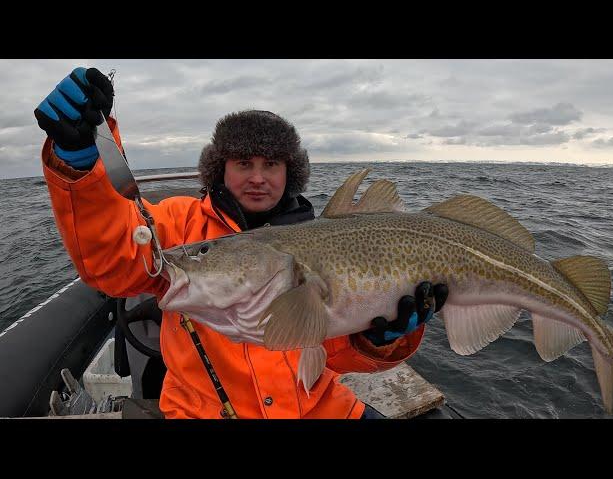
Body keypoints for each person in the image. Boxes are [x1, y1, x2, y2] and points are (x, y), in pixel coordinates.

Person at [34, 66, 448, 419]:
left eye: (271, 164)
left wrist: (381, 340)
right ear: (220, 168)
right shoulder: (179, 224)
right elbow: (113, 261)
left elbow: (334, 353)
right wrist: (80, 163)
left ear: (291, 172)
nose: (258, 176)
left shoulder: (322, 239)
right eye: (243, 162)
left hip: (319, 406)